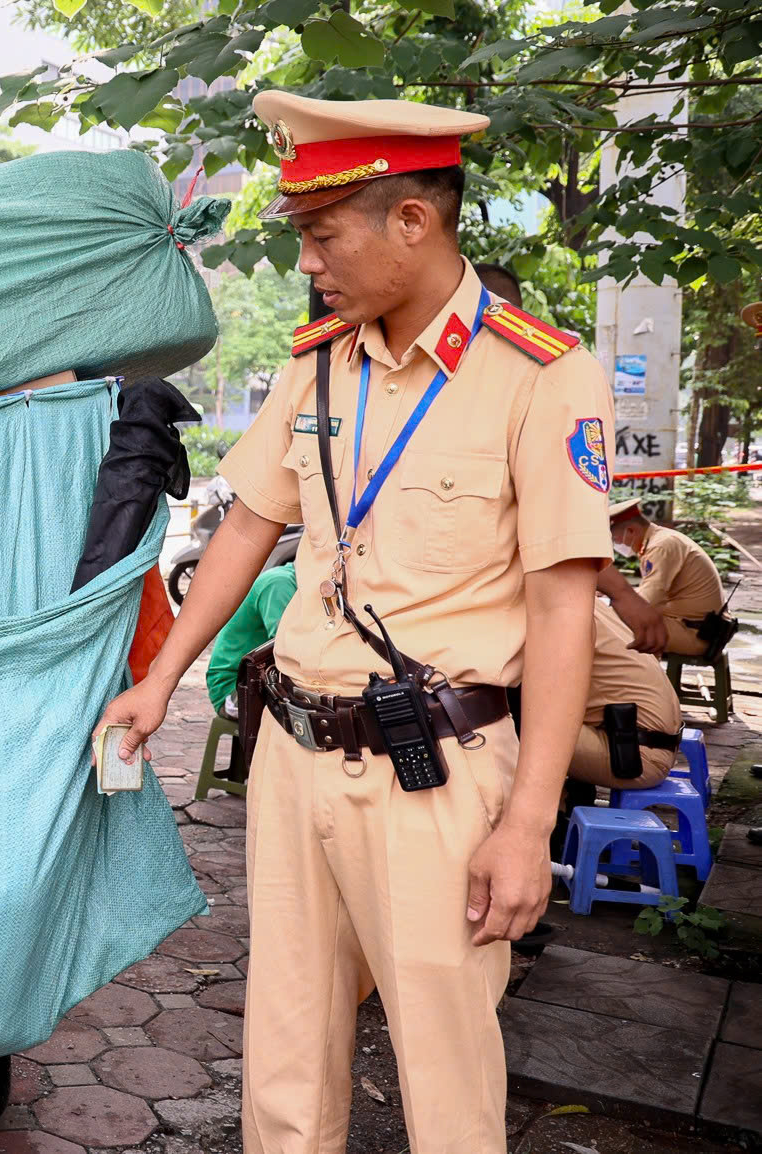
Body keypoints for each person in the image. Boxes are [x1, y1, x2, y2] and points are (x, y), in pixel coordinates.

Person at [95, 92, 616, 1154]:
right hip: (293, 749)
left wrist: (526, 824)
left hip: (440, 771)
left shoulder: (542, 376)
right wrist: (160, 678)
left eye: (323, 236)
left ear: (412, 223)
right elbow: (246, 527)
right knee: (285, 1046)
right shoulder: (318, 361)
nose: (310, 263)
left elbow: (563, 610)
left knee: (444, 1067)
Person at [569, 600, 683, 789]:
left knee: (512, 724)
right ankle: (568, 800)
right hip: (647, 743)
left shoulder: (561, 614)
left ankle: (549, 809)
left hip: (633, 757)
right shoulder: (587, 600)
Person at [600, 498, 724, 656]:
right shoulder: (659, 539)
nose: (617, 546)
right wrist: (610, 593)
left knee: (612, 626)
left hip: (696, 634)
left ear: (631, 530)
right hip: (693, 626)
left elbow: (647, 601)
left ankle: (639, 679)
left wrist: (610, 602)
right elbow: (652, 591)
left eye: (615, 540)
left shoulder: (660, 546)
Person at [204, 561, 296, 716]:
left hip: (257, 682)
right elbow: (288, 650)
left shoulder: (289, 581)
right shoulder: (279, 584)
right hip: (236, 690)